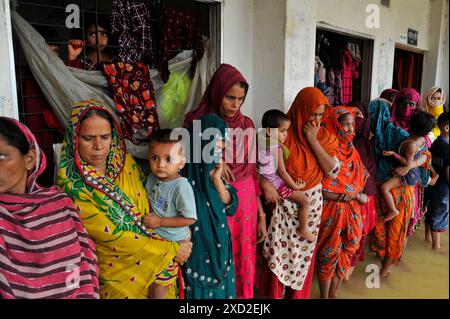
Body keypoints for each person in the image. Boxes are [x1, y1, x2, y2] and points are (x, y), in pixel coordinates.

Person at [57, 100, 192, 299]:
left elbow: (150, 201)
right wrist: (171, 248)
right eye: (88, 138)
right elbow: (114, 237)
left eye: (105, 137)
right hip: (116, 274)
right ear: (74, 138)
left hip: (157, 259)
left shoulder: (125, 163)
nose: (98, 146)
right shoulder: (72, 186)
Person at [183, 64, 266, 299]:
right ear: (217, 92)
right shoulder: (196, 124)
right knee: (216, 256)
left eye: (240, 99)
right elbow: (185, 167)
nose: (235, 105)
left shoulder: (247, 124)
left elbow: (252, 172)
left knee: (243, 256)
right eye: (230, 97)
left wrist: (261, 215)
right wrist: (213, 157)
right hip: (212, 203)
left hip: (245, 202)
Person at [0, 117, 99, 299]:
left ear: (29, 159)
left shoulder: (58, 204)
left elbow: (83, 263)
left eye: (1, 156)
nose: (98, 145)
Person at [259, 87, 340, 299]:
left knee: (302, 257)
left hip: (310, 204)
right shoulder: (282, 134)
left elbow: (332, 172)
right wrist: (265, 184)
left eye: (321, 115)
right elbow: (261, 165)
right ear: (301, 110)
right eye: (313, 114)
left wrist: (313, 140)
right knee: (279, 256)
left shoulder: (325, 137)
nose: (316, 120)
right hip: (282, 203)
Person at [368, 99, 430, 277]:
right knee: (390, 233)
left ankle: (384, 271)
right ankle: (384, 271)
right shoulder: (408, 138)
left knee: (392, 234)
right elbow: (425, 153)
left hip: (397, 191)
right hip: (396, 192)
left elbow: (425, 155)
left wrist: (408, 165)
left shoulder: (403, 137)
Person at [182, 114, 239, 299]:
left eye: (222, 147)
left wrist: (216, 180)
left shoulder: (215, 173)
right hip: (195, 258)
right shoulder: (181, 180)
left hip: (221, 254)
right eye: (214, 147)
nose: (219, 153)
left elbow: (231, 206)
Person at [316, 106, 369, 299]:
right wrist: (349, 196)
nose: (349, 129)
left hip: (352, 209)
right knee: (328, 253)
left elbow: (360, 178)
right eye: (344, 124)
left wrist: (355, 196)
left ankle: (333, 294)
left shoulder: (352, 151)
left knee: (350, 246)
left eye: (351, 125)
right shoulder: (327, 148)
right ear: (335, 124)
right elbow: (319, 188)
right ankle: (324, 296)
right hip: (332, 209)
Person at [143, 129, 197, 299]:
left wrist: (160, 221)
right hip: (157, 242)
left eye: (169, 159)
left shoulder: (181, 186)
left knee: (159, 289)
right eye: (154, 158)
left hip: (174, 242)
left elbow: (190, 218)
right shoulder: (152, 178)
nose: (160, 165)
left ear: (181, 163)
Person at [257, 109, 314, 242]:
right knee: (305, 201)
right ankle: (303, 229)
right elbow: (282, 172)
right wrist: (295, 186)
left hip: (266, 182)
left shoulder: (260, 142)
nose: (285, 134)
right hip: (276, 184)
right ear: (269, 131)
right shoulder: (275, 147)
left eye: (286, 131)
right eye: (282, 131)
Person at [381, 111, 435, 221]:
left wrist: (394, 154)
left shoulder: (411, 144)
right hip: (414, 172)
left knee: (384, 188)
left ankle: (393, 210)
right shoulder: (421, 139)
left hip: (410, 175)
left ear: (410, 125)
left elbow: (407, 164)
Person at [345, 101, 378, 279]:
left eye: (359, 115)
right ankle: (344, 274)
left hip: (367, 196)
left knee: (360, 236)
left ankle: (347, 274)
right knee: (350, 237)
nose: (354, 120)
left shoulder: (369, 142)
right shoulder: (342, 143)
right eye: (351, 114)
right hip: (348, 197)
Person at [425, 112, 449, 250]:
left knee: (431, 213)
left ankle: (427, 239)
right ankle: (436, 247)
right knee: (440, 219)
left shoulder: (435, 143)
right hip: (444, 191)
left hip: (433, 187)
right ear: (446, 128)